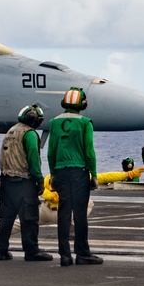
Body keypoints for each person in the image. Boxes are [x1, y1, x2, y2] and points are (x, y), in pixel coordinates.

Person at [0, 167, 144, 239]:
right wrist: (128, 174)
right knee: (88, 202)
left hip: (46, 211)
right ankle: (72, 226)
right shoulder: (78, 176)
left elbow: (37, 189)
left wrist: (50, 196)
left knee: (21, 223)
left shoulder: (49, 177)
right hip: (63, 213)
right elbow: (104, 177)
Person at [47, 87, 101, 266]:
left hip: (60, 172)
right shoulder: (85, 122)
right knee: (79, 215)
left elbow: (50, 152)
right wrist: (93, 175)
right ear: (82, 103)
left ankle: (64, 255)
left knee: (63, 213)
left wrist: (53, 174)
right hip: (79, 173)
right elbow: (89, 152)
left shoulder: (54, 122)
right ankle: (82, 254)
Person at [0, 104, 52, 261]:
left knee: (6, 218)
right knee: (29, 219)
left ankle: (0, 251)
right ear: (33, 119)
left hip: (6, 182)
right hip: (23, 182)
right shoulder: (29, 134)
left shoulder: (11, 131)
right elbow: (34, 160)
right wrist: (39, 182)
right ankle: (31, 251)